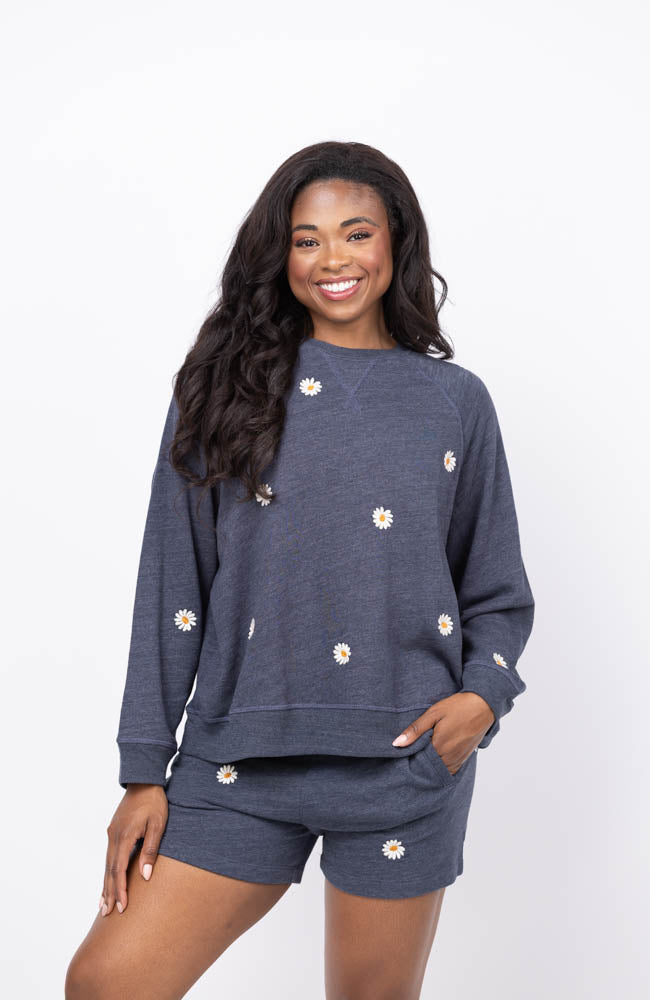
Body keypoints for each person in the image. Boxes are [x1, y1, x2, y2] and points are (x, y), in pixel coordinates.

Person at [65, 140, 535, 999]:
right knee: (107, 983)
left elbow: (495, 588)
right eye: (305, 239)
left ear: (395, 240)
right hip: (236, 762)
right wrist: (143, 769)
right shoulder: (218, 388)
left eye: (356, 233)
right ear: (278, 255)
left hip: (404, 761)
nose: (332, 259)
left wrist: (480, 701)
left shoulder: (454, 401)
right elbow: (172, 586)